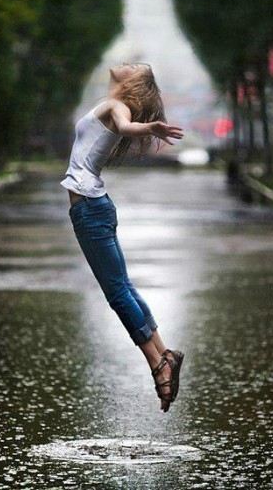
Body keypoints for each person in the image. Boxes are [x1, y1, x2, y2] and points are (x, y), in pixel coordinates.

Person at [61, 62, 185, 412]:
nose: (125, 64)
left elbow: (127, 126)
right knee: (124, 287)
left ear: (134, 83)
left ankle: (157, 364)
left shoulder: (119, 106)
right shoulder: (111, 103)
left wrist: (148, 127)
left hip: (90, 209)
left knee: (117, 293)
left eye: (134, 67)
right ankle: (165, 353)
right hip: (94, 207)